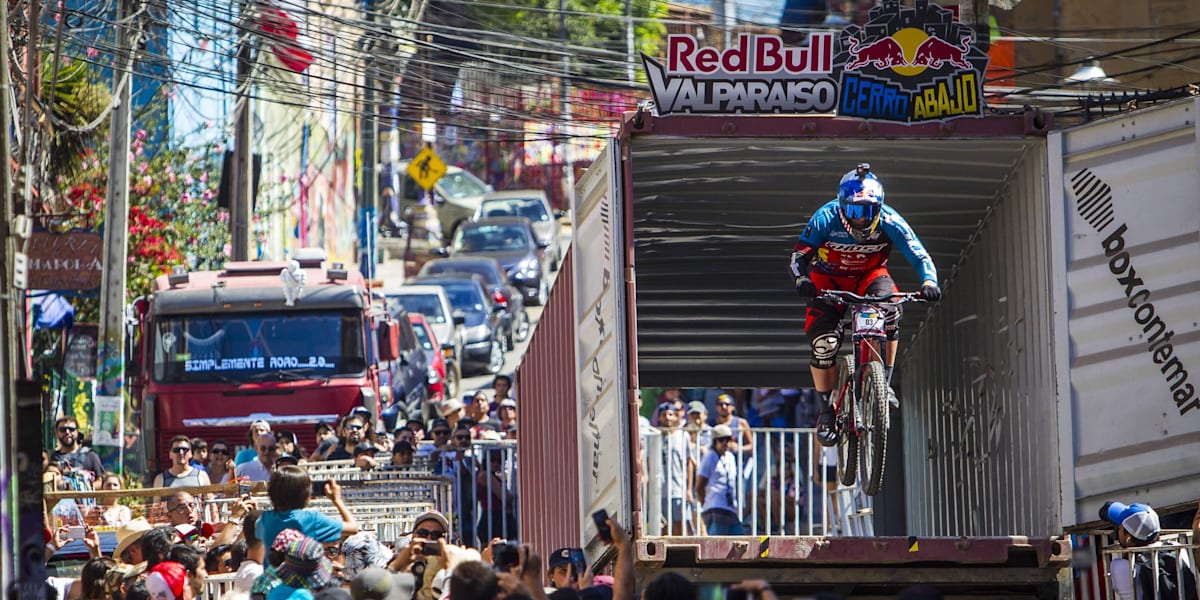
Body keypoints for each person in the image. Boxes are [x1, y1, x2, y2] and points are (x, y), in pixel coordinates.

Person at [789, 163, 940, 446]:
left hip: (869, 277)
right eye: (856, 211)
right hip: (828, 280)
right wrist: (801, 280)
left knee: (892, 308)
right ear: (842, 206)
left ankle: (884, 382)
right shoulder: (825, 217)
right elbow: (799, 256)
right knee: (824, 343)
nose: (862, 219)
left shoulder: (890, 220)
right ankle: (825, 411)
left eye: (869, 211)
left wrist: (929, 282)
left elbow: (919, 254)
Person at [1101, 501, 1198, 600]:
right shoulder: (1177, 549)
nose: (1117, 531)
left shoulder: (1120, 566)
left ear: (1128, 539)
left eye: (1120, 528)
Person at [256, 465, 359, 549]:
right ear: (305, 494)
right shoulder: (312, 519)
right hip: (302, 574)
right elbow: (353, 528)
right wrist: (337, 500)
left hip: (272, 574)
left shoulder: (265, 519)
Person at [695, 424, 742, 535]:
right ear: (715, 441)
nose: (725, 443)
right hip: (715, 506)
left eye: (728, 439)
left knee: (738, 538)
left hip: (730, 508)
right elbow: (700, 485)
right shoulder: (710, 457)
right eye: (721, 440)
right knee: (717, 545)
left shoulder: (730, 457)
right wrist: (705, 503)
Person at [656, 402, 695, 536]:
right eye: (664, 415)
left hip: (678, 488)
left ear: (676, 417)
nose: (667, 417)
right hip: (659, 489)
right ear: (659, 418)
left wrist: (689, 489)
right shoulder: (655, 436)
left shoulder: (682, 435)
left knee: (680, 524)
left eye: (670, 414)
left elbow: (689, 462)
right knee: (662, 526)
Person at [50, 417, 105, 483]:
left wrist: (85, 488)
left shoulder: (90, 455)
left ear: (77, 432)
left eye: (71, 429)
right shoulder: (53, 457)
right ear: (57, 432)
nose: (67, 432)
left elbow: (101, 480)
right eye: (63, 430)